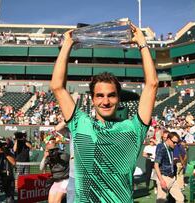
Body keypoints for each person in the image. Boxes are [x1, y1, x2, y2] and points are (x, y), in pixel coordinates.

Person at [50, 23, 158, 202]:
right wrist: (67, 45)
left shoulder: (133, 128)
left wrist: (142, 44)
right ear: (92, 99)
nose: (105, 101)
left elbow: (152, 84)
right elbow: (57, 86)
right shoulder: (80, 123)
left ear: (118, 98)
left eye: (111, 95)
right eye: (99, 96)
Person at [154, 132, 184, 203]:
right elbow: (156, 165)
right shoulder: (161, 148)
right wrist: (161, 181)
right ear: (168, 139)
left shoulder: (171, 148)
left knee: (180, 199)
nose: (175, 144)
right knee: (161, 201)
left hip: (172, 178)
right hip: (164, 178)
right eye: (174, 142)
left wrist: (173, 162)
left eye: (177, 142)